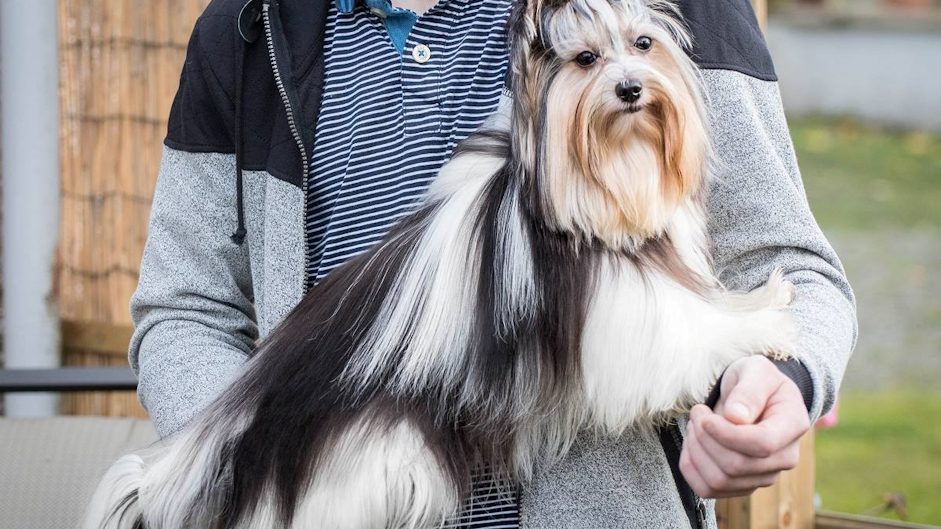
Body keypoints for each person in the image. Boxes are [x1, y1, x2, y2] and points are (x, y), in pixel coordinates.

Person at [128, 0, 857, 527]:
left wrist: (786, 379)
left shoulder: (676, 10)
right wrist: (257, 474)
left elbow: (792, 265)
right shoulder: (246, 32)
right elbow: (183, 309)